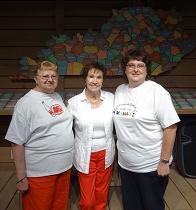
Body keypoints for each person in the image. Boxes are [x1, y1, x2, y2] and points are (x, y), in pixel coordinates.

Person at [113, 50, 180, 210]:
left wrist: (164, 162)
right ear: (125, 69)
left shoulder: (157, 92)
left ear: (146, 70)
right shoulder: (120, 90)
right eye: (131, 65)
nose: (136, 69)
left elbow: (170, 128)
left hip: (150, 166)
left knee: (151, 206)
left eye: (140, 65)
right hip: (126, 165)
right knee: (131, 206)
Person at [5, 61, 74, 210]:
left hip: (64, 167)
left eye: (54, 76)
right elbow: (16, 142)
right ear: (35, 78)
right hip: (40, 172)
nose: (50, 79)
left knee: (59, 206)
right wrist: (21, 176)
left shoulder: (56, 96)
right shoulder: (25, 103)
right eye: (45, 76)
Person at [67, 63, 115, 210]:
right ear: (85, 79)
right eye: (91, 76)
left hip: (106, 153)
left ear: (103, 80)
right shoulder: (73, 102)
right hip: (85, 154)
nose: (95, 80)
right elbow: (66, 130)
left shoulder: (112, 99)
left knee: (101, 194)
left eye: (99, 77)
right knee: (87, 201)